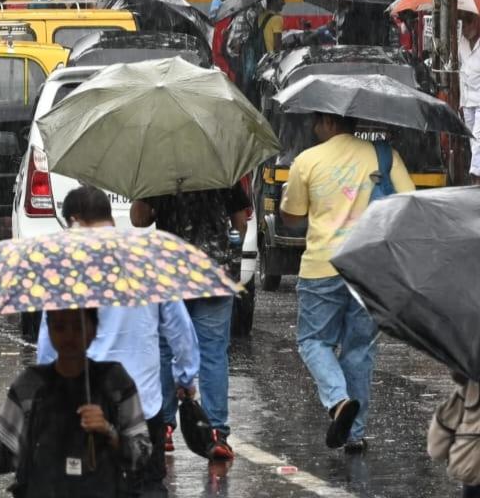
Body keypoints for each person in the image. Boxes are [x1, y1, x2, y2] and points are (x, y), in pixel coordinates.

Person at [37, 186, 199, 495]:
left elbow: (50, 342)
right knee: (148, 484)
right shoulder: (147, 258)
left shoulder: (64, 268)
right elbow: (179, 328)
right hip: (142, 405)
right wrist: (185, 376)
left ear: (75, 221)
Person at [280, 112, 414, 452]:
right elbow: (408, 202)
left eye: (315, 120)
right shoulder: (384, 156)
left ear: (329, 120)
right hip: (369, 268)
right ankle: (354, 433)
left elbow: (291, 217)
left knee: (313, 341)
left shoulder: (307, 160)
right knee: (359, 350)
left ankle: (338, 401)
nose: (312, 125)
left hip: (322, 266)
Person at [0, 308, 152, 497]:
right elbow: (5, 457)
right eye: (60, 327)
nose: (69, 336)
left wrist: (109, 432)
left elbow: (142, 453)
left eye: (78, 327)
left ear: (93, 330)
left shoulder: (115, 382)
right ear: (49, 330)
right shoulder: (29, 385)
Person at [131, 185, 250, 461]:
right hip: (215, 272)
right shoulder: (220, 167)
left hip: (172, 271)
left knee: (165, 349)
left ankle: (163, 427)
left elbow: (139, 219)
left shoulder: (159, 168)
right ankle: (216, 433)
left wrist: (144, 191)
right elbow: (241, 221)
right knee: (213, 353)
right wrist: (229, 245)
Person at [459, 13, 480, 183]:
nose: (465, 28)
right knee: (472, 140)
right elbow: (460, 72)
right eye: (463, 24)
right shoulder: (462, 43)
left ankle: (475, 177)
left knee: (478, 137)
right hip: (467, 101)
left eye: (468, 23)